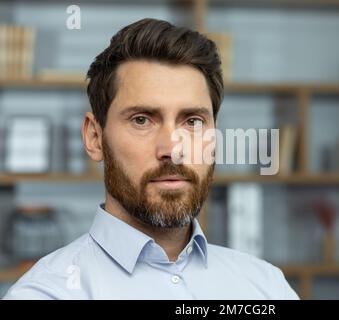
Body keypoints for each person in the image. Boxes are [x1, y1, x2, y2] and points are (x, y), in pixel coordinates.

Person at [3, 18, 299, 300]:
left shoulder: (267, 288)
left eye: (193, 121)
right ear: (94, 138)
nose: (173, 148)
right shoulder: (46, 293)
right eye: (142, 120)